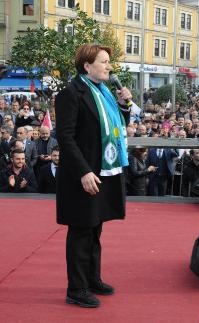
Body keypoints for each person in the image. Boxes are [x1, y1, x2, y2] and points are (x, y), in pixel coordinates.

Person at [55, 44, 132, 308]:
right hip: (83, 175)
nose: (109, 66)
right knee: (81, 230)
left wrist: (123, 106)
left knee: (95, 227)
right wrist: (84, 171)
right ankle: (76, 288)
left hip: (103, 170)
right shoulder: (71, 94)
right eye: (104, 61)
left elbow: (116, 126)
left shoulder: (105, 93)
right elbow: (65, 138)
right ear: (87, 66)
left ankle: (92, 278)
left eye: (108, 62)